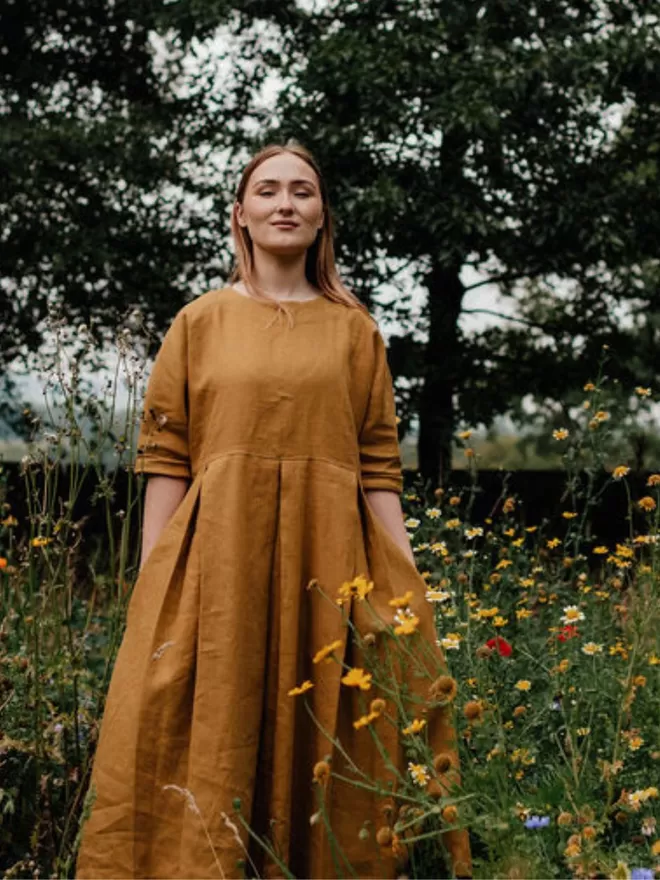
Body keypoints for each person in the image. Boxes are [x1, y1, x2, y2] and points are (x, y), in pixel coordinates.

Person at [75, 143, 471, 879]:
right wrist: (152, 581)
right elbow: (166, 458)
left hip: (330, 567)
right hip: (218, 564)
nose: (285, 203)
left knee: (331, 738)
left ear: (322, 220)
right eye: (267, 191)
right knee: (202, 735)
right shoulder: (198, 322)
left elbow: (379, 470)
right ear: (241, 216)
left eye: (302, 192)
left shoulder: (357, 330)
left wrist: (408, 589)